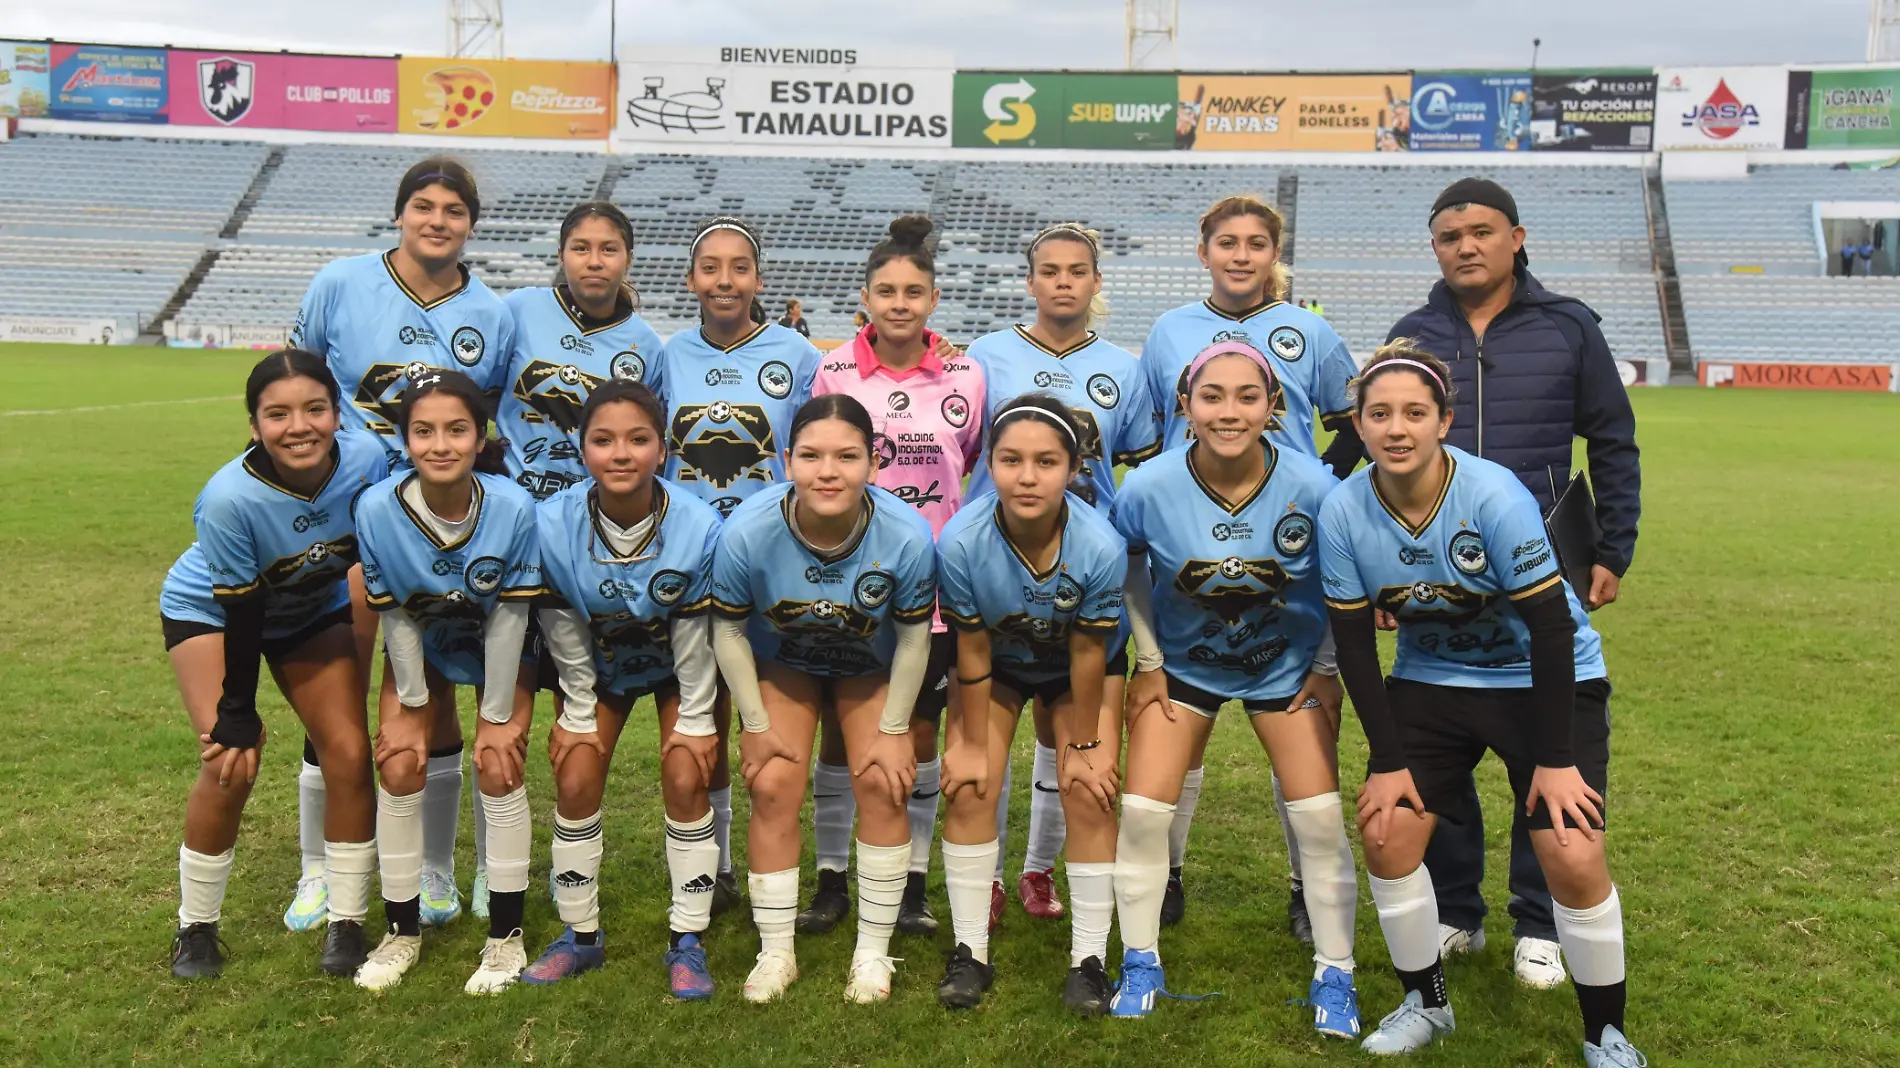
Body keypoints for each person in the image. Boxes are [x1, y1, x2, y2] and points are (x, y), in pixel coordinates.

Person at [1319, 345, 1643, 1067]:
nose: (1397, 428)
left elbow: (1554, 626)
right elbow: (1354, 644)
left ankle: (1606, 1035)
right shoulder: (1342, 509)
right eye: (1380, 414)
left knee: (1570, 845)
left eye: (1414, 413)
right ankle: (1426, 1005)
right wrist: (1387, 761)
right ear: (1360, 426)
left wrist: (1555, 761)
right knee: (1386, 831)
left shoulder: (1492, 496)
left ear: (1444, 421)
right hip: (1434, 679)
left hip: (1544, 677)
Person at [1385, 176, 1640, 989]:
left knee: (1543, 741)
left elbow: (1612, 439)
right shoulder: (1413, 333)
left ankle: (1541, 920)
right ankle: (1458, 908)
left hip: (1542, 571)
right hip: (1433, 570)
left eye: (1483, 231)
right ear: (1435, 247)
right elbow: (1375, 445)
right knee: (1441, 740)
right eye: (1451, 235)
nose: (1467, 245)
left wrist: (1613, 546)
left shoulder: (1568, 328)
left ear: (1517, 237)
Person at [288, 156, 515, 930]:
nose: (438, 220)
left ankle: (432, 868)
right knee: (340, 695)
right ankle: (318, 867)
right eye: (424, 205)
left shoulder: (493, 312)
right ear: (400, 213)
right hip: (346, 517)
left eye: (454, 209)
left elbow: (499, 430)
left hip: (444, 524)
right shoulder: (341, 283)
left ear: (470, 225)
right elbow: (294, 390)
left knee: (438, 687)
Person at [1109, 341, 1360, 1033]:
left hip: (1285, 669)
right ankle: (1140, 961)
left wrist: (1327, 669)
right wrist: (1151, 659)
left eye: (1247, 396)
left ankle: (1336, 973)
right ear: (1184, 406)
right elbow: (1129, 569)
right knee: (1140, 811)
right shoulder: (1149, 487)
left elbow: (1344, 585)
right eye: (1211, 396)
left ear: (1273, 406)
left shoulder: (1313, 486)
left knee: (1319, 818)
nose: (1228, 411)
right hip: (1185, 669)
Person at [1138, 195, 1361, 938]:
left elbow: (1351, 423)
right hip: (1190, 540)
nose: (1241, 255)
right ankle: (1164, 876)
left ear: (1275, 254)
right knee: (1180, 725)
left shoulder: (1312, 330)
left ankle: (1305, 885)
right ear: (1203, 251)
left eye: (1256, 243)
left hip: (1287, 547)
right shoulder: (1170, 329)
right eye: (1227, 242)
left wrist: (1319, 491)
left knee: (1303, 720)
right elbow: (1145, 435)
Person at [160, 351, 387, 980]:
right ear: (255, 425)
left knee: (345, 752)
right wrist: (238, 710)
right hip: (215, 613)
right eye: (278, 414)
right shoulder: (229, 498)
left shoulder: (366, 458)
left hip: (310, 608)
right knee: (233, 760)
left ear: (337, 414)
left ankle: (346, 921)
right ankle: (196, 928)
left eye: (315, 409)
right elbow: (244, 612)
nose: (300, 426)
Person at [709, 394, 938, 1004]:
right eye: (811, 455)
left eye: (847, 456)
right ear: (787, 460)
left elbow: (916, 639)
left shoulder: (908, 536)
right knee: (773, 782)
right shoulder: (747, 532)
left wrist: (893, 730)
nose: (828, 471)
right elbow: (727, 630)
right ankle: (776, 951)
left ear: (875, 463)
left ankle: (872, 953)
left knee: (884, 780)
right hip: (785, 662)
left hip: (870, 663)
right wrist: (754, 724)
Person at [964, 224, 1159, 923]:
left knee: (1062, 728)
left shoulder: (1125, 369)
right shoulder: (986, 356)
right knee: (981, 725)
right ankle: (979, 875)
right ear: (1031, 280)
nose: (1064, 282)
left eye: (1079, 271)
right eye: (1050, 271)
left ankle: (1037, 870)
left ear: (1096, 282)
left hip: (1084, 573)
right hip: (993, 567)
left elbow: (1133, 469)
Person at [804, 216, 987, 941]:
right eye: (887, 290)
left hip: (932, 591)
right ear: (866, 297)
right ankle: (829, 880)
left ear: (934, 298)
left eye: (914, 291)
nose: (900, 303)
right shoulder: (834, 371)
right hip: (844, 586)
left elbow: (974, 472)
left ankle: (910, 884)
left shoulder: (968, 376)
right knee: (838, 737)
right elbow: (817, 463)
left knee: (916, 736)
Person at [525, 380, 726, 998]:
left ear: (662, 451)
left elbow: (696, 638)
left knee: (688, 773)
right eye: (603, 440)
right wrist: (578, 710)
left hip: (676, 667)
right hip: (598, 666)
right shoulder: (552, 522)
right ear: (581, 448)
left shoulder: (697, 523)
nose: (620, 453)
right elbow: (561, 627)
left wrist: (696, 719)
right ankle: (579, 936)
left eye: (638, 440)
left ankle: (687, 938)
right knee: (576, 772)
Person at [647, 215, 824, 911]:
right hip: (691, 559)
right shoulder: (669, 355)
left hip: (771, 558)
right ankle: (714, 862)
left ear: (759, 278)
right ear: (692, 279)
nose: (725, 280)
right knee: (706, 708)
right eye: (711, 267)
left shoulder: (797, 354)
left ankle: (794, 864)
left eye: (739, 267)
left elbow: (816, 450)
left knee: (775, 712)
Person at [349, 370, 545, 994]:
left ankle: (505, 939)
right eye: (423, 431)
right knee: (401, 761)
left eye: (456, 430)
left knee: (497, 762)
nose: (440, 444)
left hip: (501, 645)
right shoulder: (378, 507)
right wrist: (412, 703)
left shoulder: (512, 506)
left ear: (480, 434)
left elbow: (513, 616)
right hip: (425, 644)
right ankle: (402, 930)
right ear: (403, 439)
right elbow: (397, 614)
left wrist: (496, 715)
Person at [935, 396, 1129, 1015]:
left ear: (1074, 468)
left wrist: (1088, 745)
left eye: (1046, 461)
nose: (1026, 476)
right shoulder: (962, 540)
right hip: (997, 662)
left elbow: (1089, 652)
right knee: (970, 786)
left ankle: (1090, 960)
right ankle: (969, 953)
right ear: (987, 464)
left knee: (1089, 790)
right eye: (1010, 459)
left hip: (1081, 667)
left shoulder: (1099, 544)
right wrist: (966, 741)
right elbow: (970, 647)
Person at [497, 200, 666, 503]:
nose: (595, 261)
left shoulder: (648, 348)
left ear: (628, 259)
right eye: (581, 248)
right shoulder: (520, 309)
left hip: (589, 510)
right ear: (561, 255)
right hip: (510, 501)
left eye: (609, 249)